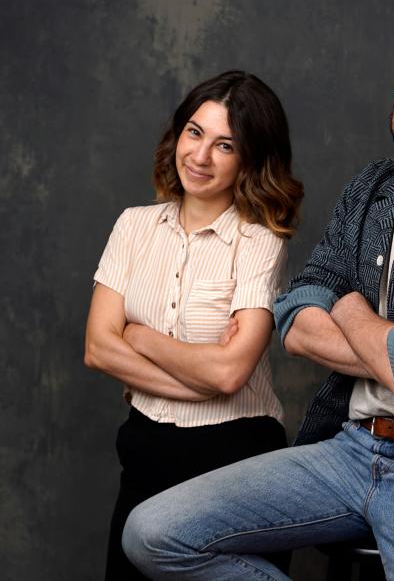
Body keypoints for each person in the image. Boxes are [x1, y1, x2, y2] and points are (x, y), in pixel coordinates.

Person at [120, 18, 394, 580]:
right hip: (348, 451)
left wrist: (344, 305)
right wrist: (392, 334)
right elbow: (293, 321)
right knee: (153, 535)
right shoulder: (372, 187)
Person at [84, 70, 303, 580]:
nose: (200, 157)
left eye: (225, 144)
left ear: (250, 158)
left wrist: (136, 337)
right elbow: (97, 347)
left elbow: (230, 375)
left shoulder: (261, 242)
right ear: (177, 135)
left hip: (234, 456)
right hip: (144, 450)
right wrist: (199, 378)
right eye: (194, 133)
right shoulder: (133, 226)